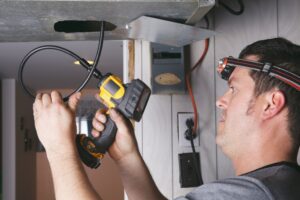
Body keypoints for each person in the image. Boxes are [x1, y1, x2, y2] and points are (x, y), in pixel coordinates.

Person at [33, 37, 300, 200]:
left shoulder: (254, 194)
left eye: (234, 88)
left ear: (271, 104)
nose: (222, 100)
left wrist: (59, 149)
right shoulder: (278, 187)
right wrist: (127, 158)